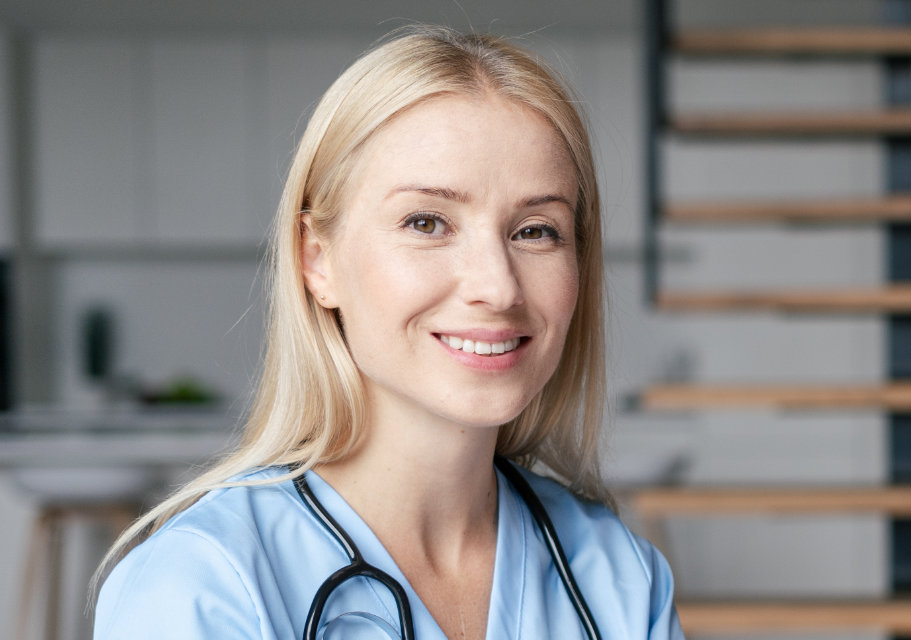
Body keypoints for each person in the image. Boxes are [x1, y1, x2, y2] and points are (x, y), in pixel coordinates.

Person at [90, 26, 682, 639]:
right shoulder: (203, 584)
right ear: (316, 261)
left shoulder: (619, 577)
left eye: (535, 230)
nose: (498, 287)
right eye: (427, 222)